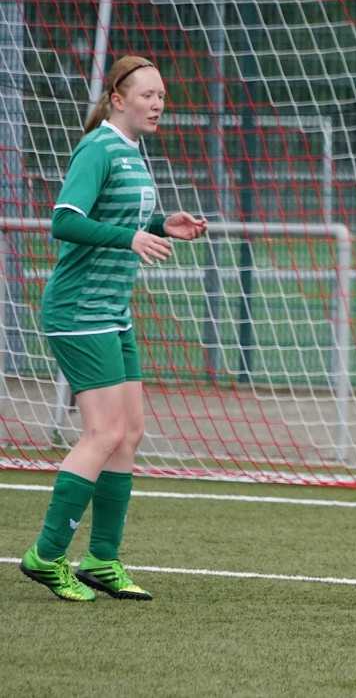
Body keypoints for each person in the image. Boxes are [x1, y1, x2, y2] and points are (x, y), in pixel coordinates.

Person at [19, 56, 208, 601]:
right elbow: (65, 220)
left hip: (112, 311)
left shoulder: (133, 152)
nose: (157, 104)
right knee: (102, 434)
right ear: (118, 100)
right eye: (147, 95)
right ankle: (46, 555)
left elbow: (120, 216)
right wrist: (129, 239)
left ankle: (102, 559)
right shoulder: (98, 148)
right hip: (78, 312)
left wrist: (160, 223)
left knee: (128, 435)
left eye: (163, 96)